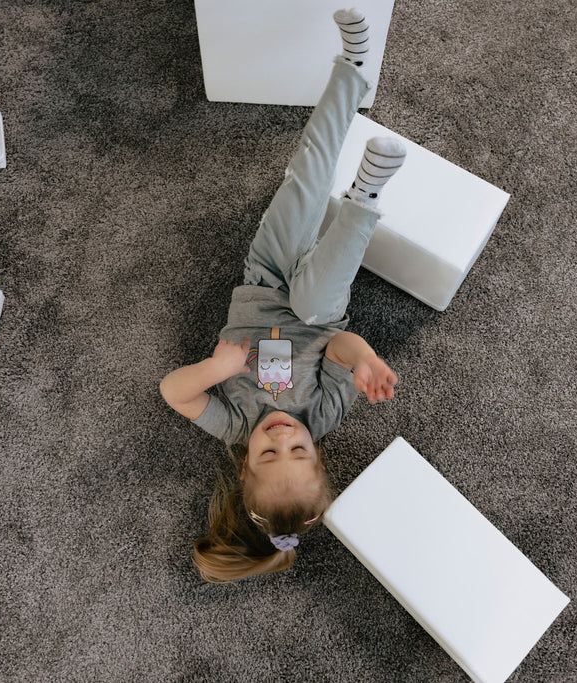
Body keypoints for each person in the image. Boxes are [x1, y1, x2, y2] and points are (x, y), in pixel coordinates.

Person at [160, 8, 405, 583]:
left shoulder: (237, 424)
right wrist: (363, 357)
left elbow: (173, 393)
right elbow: (338, 347)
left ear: (246, 468)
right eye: (301, 453)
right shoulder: (319, 416)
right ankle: (365, 196)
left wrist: (213, 368)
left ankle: (351, 70)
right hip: (316, 307)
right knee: (319, 304)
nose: (283, 440)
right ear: (317, 454)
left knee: (306, 179)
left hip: (262, 276)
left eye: (270, 456)